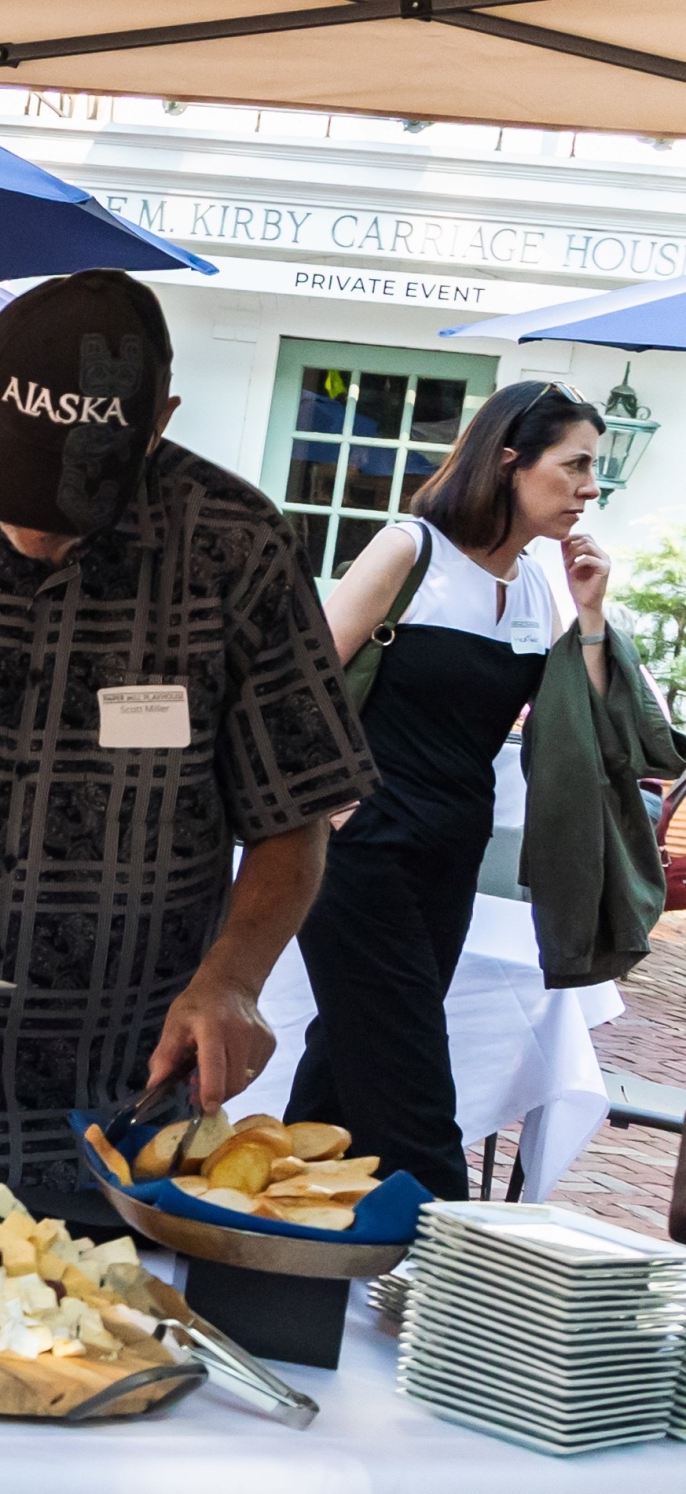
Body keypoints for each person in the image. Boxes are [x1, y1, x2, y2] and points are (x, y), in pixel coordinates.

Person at [0, 269, 379, 1188]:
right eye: (21, 492)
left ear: (158, 423)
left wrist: (235, 978)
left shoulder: (237, 548)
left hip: (116, 1105)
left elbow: (296, 814)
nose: (42, 535)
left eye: (76, 506)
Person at [287, 382, 608, 1198]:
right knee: (413, 1091)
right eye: (574, 465)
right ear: (509, 460)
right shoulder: (411, 550)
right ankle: (455, 1252)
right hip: (363, 853)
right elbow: (297, 688)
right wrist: (338, 807)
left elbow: (586, 726)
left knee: (348, 1061)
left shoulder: (536, 587)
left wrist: (591, 613)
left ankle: (262, 1233)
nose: (589, 488)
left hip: (449, 859)